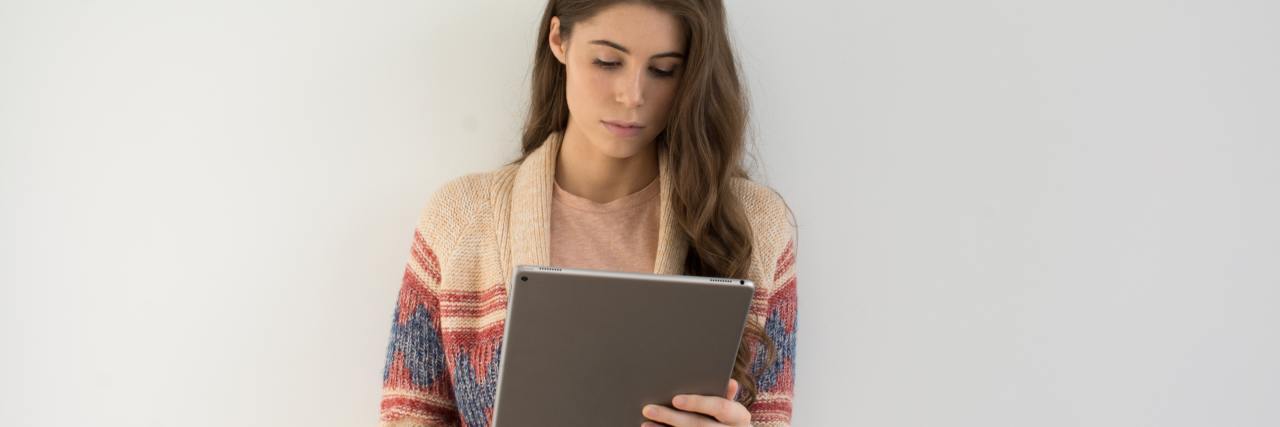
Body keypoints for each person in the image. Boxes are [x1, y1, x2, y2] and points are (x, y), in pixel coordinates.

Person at [378, 1, 797, 425]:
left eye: (664, 70)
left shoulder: (755, 225)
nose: (632, 95)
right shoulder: (460, 220)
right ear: (559, 40)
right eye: (608, 61)